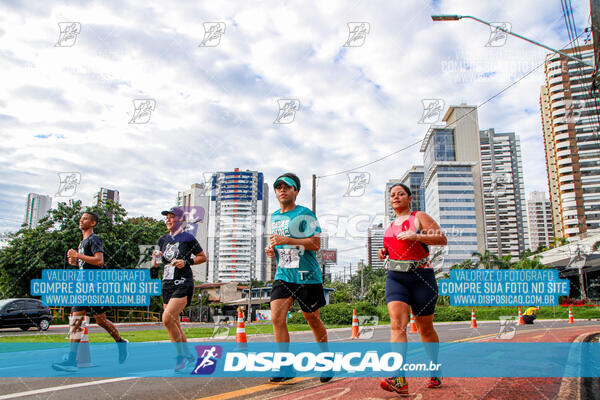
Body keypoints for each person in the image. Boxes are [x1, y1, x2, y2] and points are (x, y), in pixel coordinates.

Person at [379, 183, 447, 395]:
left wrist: (416, 236)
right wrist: (384, 253)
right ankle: (399, 378)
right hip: (396, 278)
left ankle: (434, 369)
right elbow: (392, 250)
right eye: (393, 195)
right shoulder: (390, 226)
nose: (396, 197)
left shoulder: (419, 216)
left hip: (422, 278)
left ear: (410, 198)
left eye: (401, 194)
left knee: (425, 329)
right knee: (397, 325)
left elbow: (441, 239)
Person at [265, 173, 331, 384]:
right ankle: (286, 365)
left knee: (312, 319)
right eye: (278, 187)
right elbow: (278, 244)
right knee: (276, 318)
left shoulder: (305, 214)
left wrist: (287, 239)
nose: (282, 190)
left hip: (307, 276)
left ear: (296, 191)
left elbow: (315, 244)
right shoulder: (274, 217)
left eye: (287, 186)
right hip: (284, 274)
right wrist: (272, 249)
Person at [52, 211, 128, 372]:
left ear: (93, 223)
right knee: (76, 320)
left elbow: (99, 261)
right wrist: (74, 261)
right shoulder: (82, 242)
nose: (81, 220)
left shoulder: (94, 239)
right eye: (81, 218)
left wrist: (78, 255)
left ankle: (121, 342)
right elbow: (85, 264)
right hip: (82, 286)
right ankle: (72, 360)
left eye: (85, 218)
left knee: (100, 320)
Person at [152, 206, 207, 372]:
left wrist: (186, 262)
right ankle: (188, 355)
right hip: (167, 283)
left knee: (167, 319)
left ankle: (181, 357)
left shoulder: (188, 238)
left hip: (183, 282)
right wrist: (155, 258)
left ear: (181, 220)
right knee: (174, 322)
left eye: (172, 217)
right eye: (167, 217)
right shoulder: (162, 240)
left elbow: (202, 257)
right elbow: (157, 264)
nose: (168, 220)